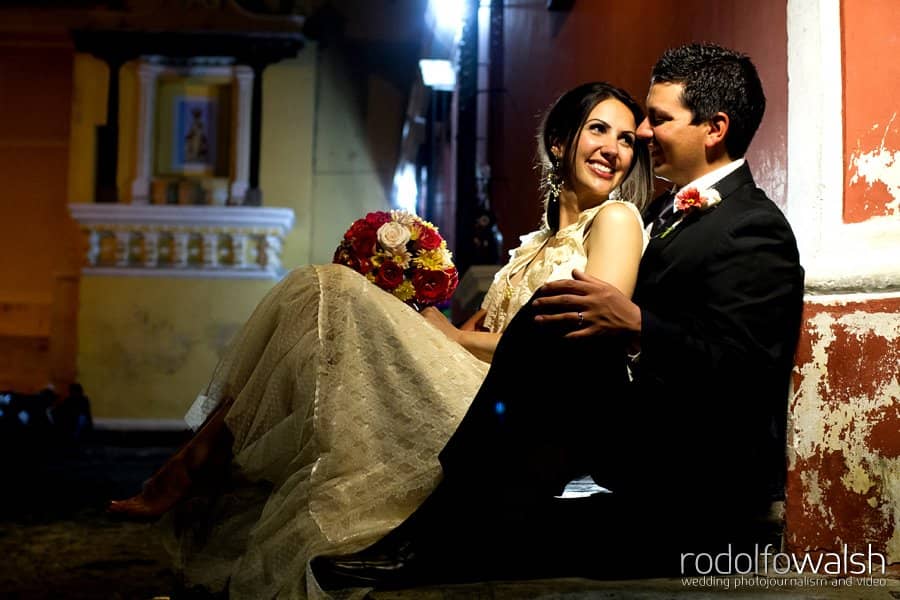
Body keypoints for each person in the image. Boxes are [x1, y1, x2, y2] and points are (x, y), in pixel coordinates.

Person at [108, 81, 654, 599]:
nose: (614, 148)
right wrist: (416, 319)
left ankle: (195, 461)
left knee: (329, 291)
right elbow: (471, 336)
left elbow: (581, 339)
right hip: (486, 387)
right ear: (559, 143)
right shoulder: (533, 246)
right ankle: (203, 459)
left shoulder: (617, 220)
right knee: (324, 315)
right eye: (599, 130)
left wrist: (442, 336)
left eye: (626, 138)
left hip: (524, 414)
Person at [314, 42, 804, 589]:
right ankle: (438, 528)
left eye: (657, 119)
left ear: (714, 128)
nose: (642, 133)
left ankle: (433, 533)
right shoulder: (670, 214)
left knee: (561, 315)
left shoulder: (753, 227)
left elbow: (748, 370)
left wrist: (638, 325)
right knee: (551, 321)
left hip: (695, 474)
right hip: (627, 439)